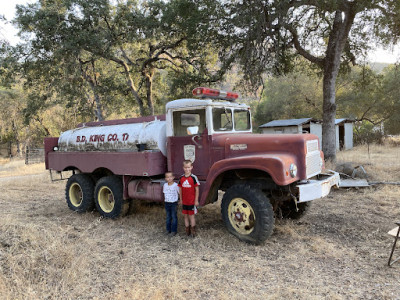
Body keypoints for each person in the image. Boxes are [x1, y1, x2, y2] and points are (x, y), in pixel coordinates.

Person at [178, 160, 200, 237]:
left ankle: (193, 231)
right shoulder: (181, 178)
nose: (187, 169)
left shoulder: (193, 178)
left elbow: (197, 189)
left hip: (191, 201)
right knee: (185, 216)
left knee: (191, 216)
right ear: (183, 168)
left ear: (191, 167)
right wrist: (181, 199)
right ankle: (187, 231)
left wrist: (196, 200)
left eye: (189, 167)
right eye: (185, 167)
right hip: (184, 201)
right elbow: (180, 189)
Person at [163, 171, 179, 236]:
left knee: (174, 217)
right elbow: (164, 193)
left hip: (173, 203)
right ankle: (168, 230)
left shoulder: (176, 185)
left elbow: (179, 193)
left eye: (170, 177)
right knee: (168, 217)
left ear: (173, 177)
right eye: (167, 177)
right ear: (165, 179)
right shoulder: (165, 185)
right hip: (167, 203)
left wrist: (180, 200)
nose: (169, 178)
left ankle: (173, 231)